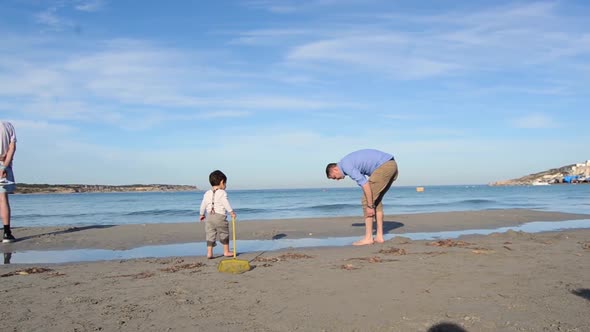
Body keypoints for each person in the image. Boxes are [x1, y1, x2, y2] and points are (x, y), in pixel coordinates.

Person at [326, 149, 398, 246]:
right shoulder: (347, 162)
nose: (337, 179)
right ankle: (379, 236)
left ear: (335, 169)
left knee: (367, 200)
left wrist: (369, 206)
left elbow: (365, 184)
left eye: (334, 177)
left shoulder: (346, 166)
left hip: (385, 166)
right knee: (376, 200)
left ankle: (368, 238)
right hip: (391, 165)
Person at [199, 170, 236, 259]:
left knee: (210, 234)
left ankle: (209, 253)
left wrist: (201, 214)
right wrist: (231, 212)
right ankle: (226, 251)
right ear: (222, 182)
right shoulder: (222, 193)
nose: (225, 185)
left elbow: (203, 204)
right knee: (224, 232)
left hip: (209, 217)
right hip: (220, 217)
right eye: (225, 183)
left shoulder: (207, 193)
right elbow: (225, 203)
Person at [0, 121, 17, 243]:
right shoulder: (8, 126)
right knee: (3, 199)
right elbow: (12, 148)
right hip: (3, 166)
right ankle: (7, 233)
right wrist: (4, 166)